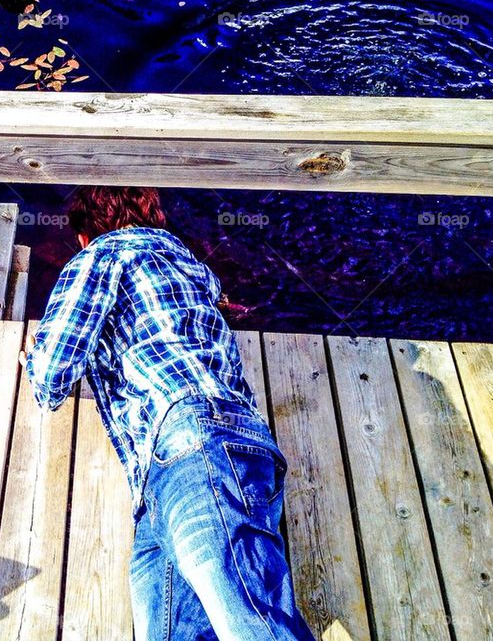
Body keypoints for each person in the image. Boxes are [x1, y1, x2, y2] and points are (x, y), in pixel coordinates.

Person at [22, 187, 315, 641]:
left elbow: (53, 374)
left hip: (191, 448)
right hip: (184, 471)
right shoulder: (195, 270)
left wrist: (33, 359)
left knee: (254, 627)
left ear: (85, 233)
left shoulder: (103, 255)